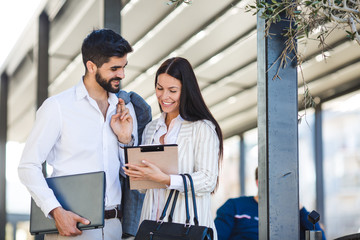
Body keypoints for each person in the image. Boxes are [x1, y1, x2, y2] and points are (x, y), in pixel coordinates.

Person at [18, 29, 151, 240]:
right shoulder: (57, 107)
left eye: (124, 67)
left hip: (116, 228)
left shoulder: (125, 109)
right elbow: (28, 166)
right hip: (72, 229)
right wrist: (55, 211)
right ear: (91, 66)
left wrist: (125, 141)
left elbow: (132, 177)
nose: (122, 75)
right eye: (114, 68)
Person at [123, 57, 223, 239]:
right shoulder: (151, 129)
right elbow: (142, 188)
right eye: (159, 88)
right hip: (151, 227)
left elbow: (208, 180)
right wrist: (127, 141)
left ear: (186, 91)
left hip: (186, 228)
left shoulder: (202, 128)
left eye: (172, 90)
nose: (164, 96)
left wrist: (167, 179)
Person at [214, 167, 327, 240]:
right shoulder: (234, 206)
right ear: (259, 183)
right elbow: (216, 237)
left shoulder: (292, 215)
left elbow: (320, 238)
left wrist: (300, 209)